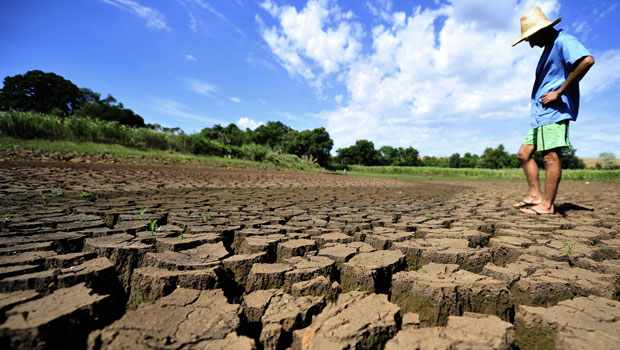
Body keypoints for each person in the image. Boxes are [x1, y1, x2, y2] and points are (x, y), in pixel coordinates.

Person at [511, 6, 595, 215]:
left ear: (541, 30)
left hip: (554, 111)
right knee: (523, 154)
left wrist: (559, 91)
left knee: (550, 157)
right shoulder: (549, 46)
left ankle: (547, 205)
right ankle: (535, 196)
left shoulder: (563, 41)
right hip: (540, 113)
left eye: (530, 38)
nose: (530, 44)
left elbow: (587, 60)